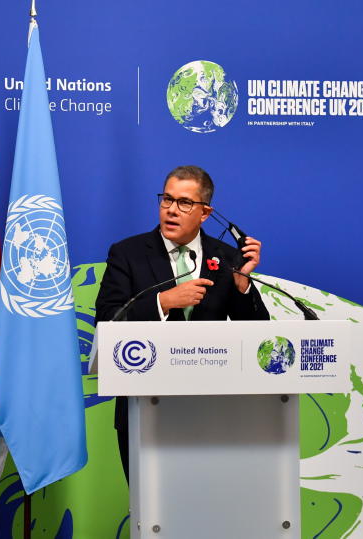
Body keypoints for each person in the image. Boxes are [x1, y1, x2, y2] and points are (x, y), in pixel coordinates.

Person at [94, 165, 270, 481]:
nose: (172, 210)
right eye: (167, 200)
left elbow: (258, 333)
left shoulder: (227, 257)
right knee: (149, 514)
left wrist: (243, 283)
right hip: (143, 408)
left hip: (211, 412)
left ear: (205, 213)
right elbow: (108, 320)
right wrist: (164, 302)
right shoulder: (128, 253)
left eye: (184, 203)